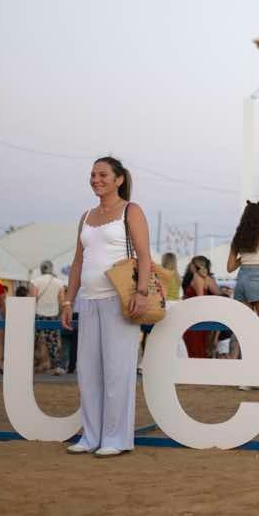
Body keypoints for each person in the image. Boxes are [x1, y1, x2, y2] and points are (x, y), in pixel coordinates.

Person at [62, 155, 152, 457]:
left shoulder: (131, 211)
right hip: (87, 301)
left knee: (118, 371)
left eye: (103, 175)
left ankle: (116, 438)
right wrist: (67, 300)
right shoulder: (86, 216)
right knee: (87, 371)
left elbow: (144, 255)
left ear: (119, 179)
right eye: (92, 175)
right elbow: (77, 262)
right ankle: (90, 436)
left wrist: (141, 292)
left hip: (120, 299)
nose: (96, 180)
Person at [227, 201, 259, 327]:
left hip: (241, 280)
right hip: (258, 279)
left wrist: (245, 257)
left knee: (245, 328)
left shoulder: (238, 237)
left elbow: (230, 268)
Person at [32, 260, 67, 376]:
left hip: (38, 315)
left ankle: (29, 364)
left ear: (41, 269)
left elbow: (33, 299)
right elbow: (62, 301)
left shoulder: (35, 282)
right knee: (53, 342)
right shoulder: (59, 283)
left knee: (33, 341)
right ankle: (57, 366)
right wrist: (60, 314)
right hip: (52, 316)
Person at [181, 256, 216, 358]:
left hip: (193, 316)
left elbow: (200, 299)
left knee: (194, 348)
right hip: (202, 316)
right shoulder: (209, 278)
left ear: (194, 265)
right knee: (200, 347)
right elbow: (219, 293)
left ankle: (194, 371)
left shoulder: (197, 277)